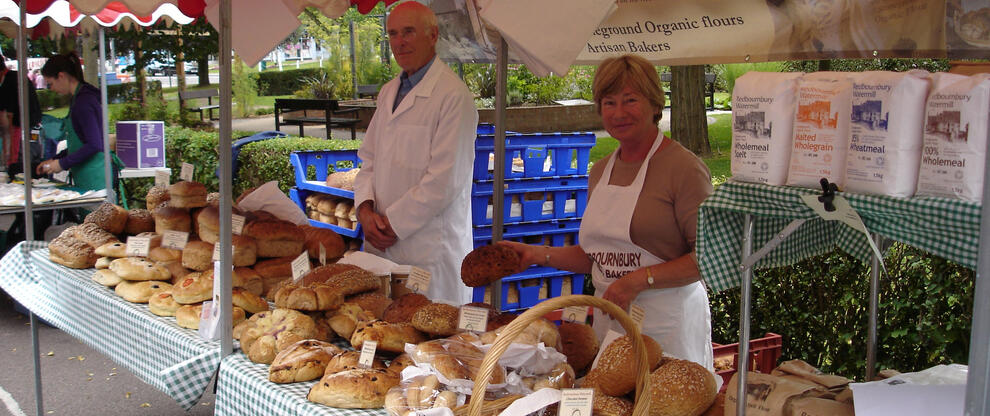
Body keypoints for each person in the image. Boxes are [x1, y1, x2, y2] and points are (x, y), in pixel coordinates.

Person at [501, 54, 714, 370]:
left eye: (630, 100)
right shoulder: (600, 171)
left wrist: (638, 280)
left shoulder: (683, 169)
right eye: (609, 102)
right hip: (611, 322)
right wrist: (535, 254)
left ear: (655, 105)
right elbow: (597, 256)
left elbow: (708, 260)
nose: (619, 112)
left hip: (668, 326)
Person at [353, 1, 478, 305]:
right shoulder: (387, 93)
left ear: (433, 35)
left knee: (431, 341)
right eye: (393, 34)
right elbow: (367, 159)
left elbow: (444, 181)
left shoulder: (453, 97)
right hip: (382, 246)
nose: (400, 42)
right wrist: (365, 211)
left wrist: (391, 224)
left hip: (429, 251)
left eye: (408, 32)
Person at [36, 53, 120, 191]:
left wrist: (62, 163)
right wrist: (56, 159)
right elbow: (80, 141)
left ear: (61, 76)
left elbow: (94, 144)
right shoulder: (79, 99)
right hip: (86, 176)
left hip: (95, 179)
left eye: (50, 84)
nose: (51, 89)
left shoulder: (83, 102)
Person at [0, 55, 42, 170]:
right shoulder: (16, 77)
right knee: (32, 156)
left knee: (21, 164)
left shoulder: (9, 82)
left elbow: (8, 118)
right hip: (34, 125)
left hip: (24, 128)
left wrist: (7, 151)